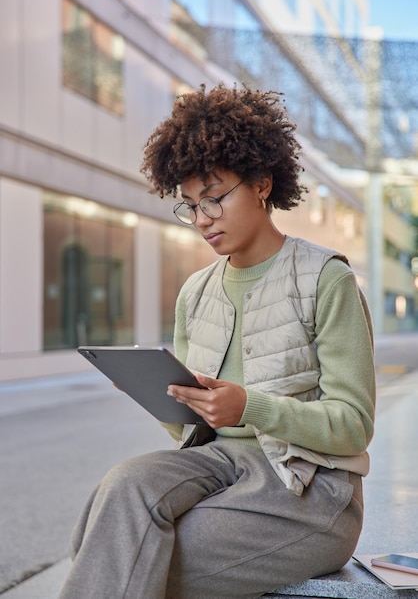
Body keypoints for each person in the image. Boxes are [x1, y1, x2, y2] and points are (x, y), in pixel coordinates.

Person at [59, 84, 375, 599]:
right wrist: (155, 394)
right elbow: (192, 427)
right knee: (119, 493)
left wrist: (251, 406)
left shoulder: (325, 278)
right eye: (189, 206)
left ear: (263, 185)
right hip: (220, 467)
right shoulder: (196, 292)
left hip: (308, 491)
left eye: (214, 198)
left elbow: (353, 427)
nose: (202, 219)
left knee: (119, 547)